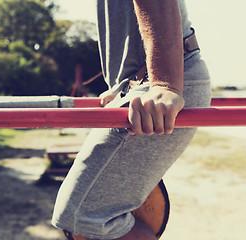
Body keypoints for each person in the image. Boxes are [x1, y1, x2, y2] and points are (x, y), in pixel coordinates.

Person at [52, 0, 211, 239]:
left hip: (158, 88)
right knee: (82, 215)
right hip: (140, 85)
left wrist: (165, 83)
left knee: (81, 216)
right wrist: (123, 84)